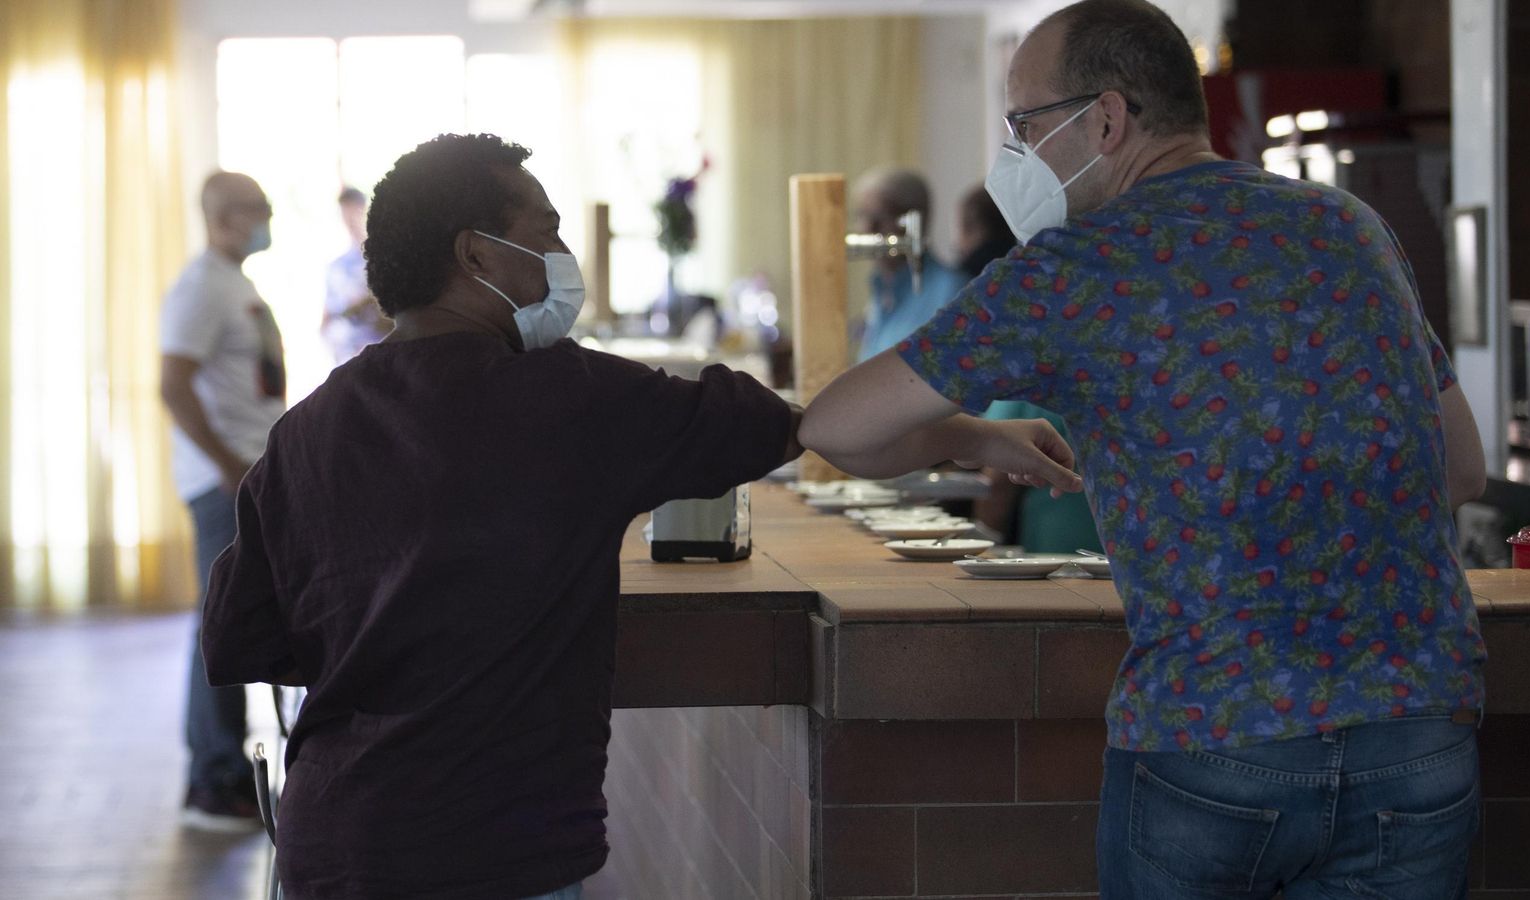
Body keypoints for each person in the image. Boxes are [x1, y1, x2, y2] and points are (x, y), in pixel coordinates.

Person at [199, 133, 1077, 900]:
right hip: (492, 848)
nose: (562, 256)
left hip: (333, 842)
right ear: (477, 255)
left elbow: (239, 637)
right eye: (545, 235)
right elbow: (820, 428)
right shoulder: (568, 401)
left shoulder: (308, 429)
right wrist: (968, 434)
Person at [800, 1, 1489, 896]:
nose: (1015, 153)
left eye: (1024, 125)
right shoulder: (1350, 226)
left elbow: (832, 427)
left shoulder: (1075, 268)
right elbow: (1461, 469)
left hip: (1213, 739)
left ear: (1108, 119)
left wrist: (973, 436)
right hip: (1421, 734)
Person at [158, 170, 285, 831]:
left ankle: (223, 773)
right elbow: (173, 384)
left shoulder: (234, 283)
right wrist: (227, 463)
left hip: (244, 474)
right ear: (224, 215)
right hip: (222, 484)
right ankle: (213, 781)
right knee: (220, 622)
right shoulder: (200, 287)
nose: (267, 218)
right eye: (257, 209)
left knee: (230, 617)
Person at [954, 185, 1103, 553]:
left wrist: (978, 553)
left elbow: (997, 481)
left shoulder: (1040, 343)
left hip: (1058, 558)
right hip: (1135, 561)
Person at [853, 167, 970, 362]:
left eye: (880, 216)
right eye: (861, 215)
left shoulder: (953, 291)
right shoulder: (880, 290)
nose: (867, 228)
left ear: (917, 220)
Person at [322, 186, 390, 365]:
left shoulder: (386, 259)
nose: (350, 220)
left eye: (355, 211)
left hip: (381, 355)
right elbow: (328, 317)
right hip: (348, 358)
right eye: (345, 213)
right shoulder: (337, 267)